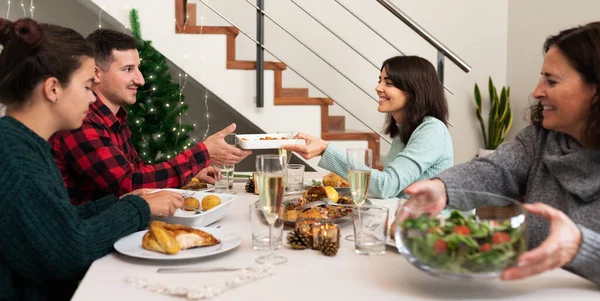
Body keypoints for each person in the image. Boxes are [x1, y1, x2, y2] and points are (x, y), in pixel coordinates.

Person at [401, 22, 600, 284]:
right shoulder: (540, 139)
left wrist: (580, 247)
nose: (537, 92)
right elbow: (495, 169)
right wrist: (443, 187)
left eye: (551, 81)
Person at [0, 18, 184, 300]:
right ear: (53, 89)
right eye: (87, 86)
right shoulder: (16, 159)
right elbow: (69, 251)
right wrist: (138, 209)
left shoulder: (24, 145)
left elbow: (57, 222)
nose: (91, 99)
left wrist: (120, 202)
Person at [49, 29, 251, 204]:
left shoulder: (115, 116)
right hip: (93, 239)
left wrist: (189, 173)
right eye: (128, 69)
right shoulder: (81, 121)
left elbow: (138, 170)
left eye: (138, 68)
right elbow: (128, 184)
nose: (141, 80)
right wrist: (203, 153)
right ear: (96, 73)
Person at [282, 55, 453, 199]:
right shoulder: (404, 132)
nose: (378, 88)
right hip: (405, 219)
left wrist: (324, 150)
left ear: (415, 90)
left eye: (389, 83)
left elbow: (386, 186)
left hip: (428, 229)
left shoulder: (432, 131)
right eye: (380, 81)